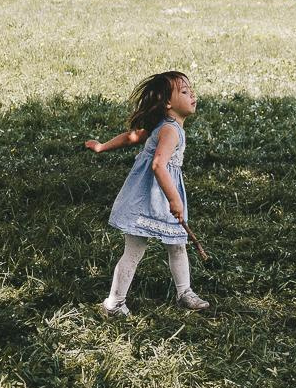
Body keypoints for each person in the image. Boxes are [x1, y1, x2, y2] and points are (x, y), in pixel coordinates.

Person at [85, 71, 210, 317]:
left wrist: (102, 146)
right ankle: (114, 303)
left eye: (190, 89)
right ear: (168, 103)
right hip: (148, 199)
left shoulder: (162, 126)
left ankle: (184, 292)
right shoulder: (170, 130)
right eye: (184, 92)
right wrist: (175, 199)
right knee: (136, 250)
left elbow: (132, 137)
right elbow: (158, 165)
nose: (192, 94)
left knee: (177, 243)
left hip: (157, 196)